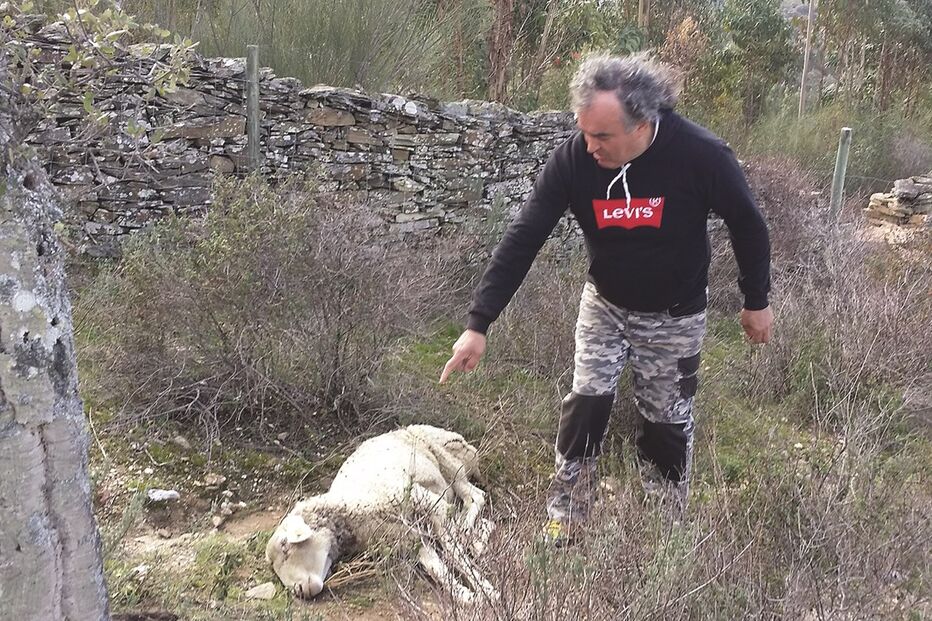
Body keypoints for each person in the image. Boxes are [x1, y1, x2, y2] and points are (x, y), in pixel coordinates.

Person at [439, 53, 773, 540]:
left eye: (602, 136)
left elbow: (749, 225)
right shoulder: (575, 159)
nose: (590, 145)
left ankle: (662, 533)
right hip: (606, 305)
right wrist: (478, 323)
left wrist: (756, 300)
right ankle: (566, 520)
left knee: (665, 422)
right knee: (586, 406)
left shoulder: (700, 155)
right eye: (584, 133)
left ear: (642, 123)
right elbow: (524, 237)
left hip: (675, 315)